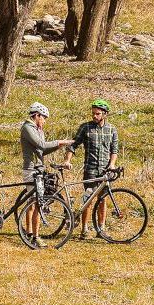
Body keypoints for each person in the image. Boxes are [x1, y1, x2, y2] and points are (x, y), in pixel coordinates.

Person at [62, 99, 121, 238]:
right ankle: (85, 229)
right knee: (88, 199)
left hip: (105, 171)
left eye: (98, 114)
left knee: (103, 199)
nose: (94, 116)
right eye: (93, 113)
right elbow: (73, 145)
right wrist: (67, 160)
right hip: (90, 169)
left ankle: (101, 229)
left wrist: (112, 164)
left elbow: (114, 149)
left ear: (105, 114)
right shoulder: (85, 127)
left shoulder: (111, 129)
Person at [19, 102, 72, 238]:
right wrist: (60, 142)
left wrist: (56, 147)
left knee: (34, 202)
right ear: (36, 115)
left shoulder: (38, 130)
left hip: (39, 169)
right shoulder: (27, 128)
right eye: (43, 118)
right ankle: (32, 234)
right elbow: (41, 145)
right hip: (31, 169)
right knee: (34, 202)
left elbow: (41, 151)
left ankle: (30, 232)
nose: (44, 121)